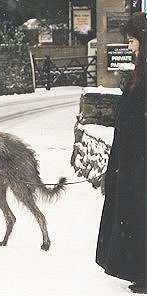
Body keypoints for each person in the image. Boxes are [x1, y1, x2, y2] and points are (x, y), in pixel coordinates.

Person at [96, 12, 147, 294]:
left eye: (132, 41)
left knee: (142, 213)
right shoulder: (140, 70)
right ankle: (140, 269)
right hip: (132, 158)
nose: (129, 47)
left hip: (142, 158)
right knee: (135, 212)